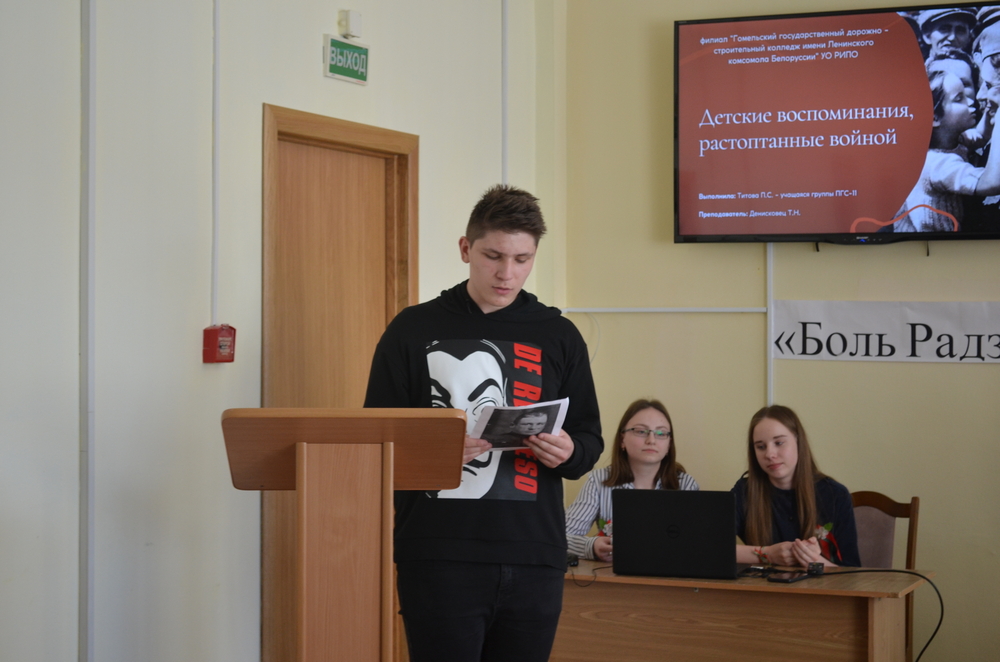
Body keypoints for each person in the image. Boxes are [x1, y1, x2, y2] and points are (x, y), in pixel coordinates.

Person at [364, 184, 603, 662]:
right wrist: (435, 454)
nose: (506, 273)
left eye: (522, 259)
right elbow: (375, 442)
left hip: (534, 553)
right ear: (465, 249)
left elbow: (588, 441)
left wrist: (568, 451)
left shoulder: (559, 334)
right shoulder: (411, 329)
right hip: (438, 554)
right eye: (493, 256)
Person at [565, 399, 699, 563]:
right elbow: (560, 537)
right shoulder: (599, 481)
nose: (651, 440)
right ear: (622, 439)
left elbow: (698, 543)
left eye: (661, 433)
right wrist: (592, 546)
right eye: (641, 431)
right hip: (614, 576)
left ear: (669, 444)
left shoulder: (685, 485)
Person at [733, 405, 861, 568]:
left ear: (799, 441)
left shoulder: (835, 494)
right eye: (761, 447)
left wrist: (814, 561)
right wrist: (768, 554)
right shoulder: (745, 490)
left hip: (822, 585)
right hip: (764, 584)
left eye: (779, 443)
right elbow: (711, 546)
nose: (770, 454)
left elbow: (852, 572)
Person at [891, 69, 1000, 232]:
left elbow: (980, 136)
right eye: (959, 99)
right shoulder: (938, 164)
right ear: (934, 117)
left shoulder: (953, 140)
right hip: (935, 239)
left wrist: (991, 110)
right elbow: (990, 184)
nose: (971, 101)